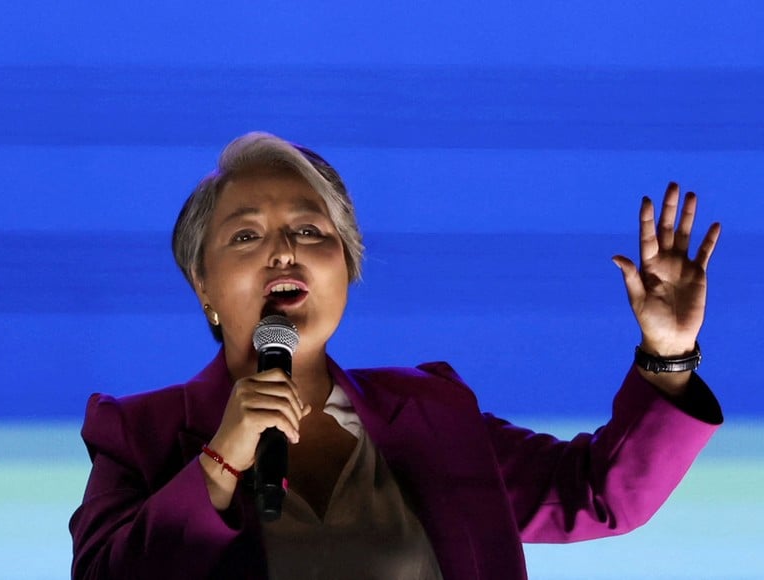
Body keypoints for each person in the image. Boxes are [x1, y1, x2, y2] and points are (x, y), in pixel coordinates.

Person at [69, 132, 723, 579]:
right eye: (246, 235)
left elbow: (598, 493)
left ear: (347, 268)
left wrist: (668, 355)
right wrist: (219, 463)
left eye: (309, 230)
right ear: (203, 288)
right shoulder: (141, 434)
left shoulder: (434, 412)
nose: (283, 252)